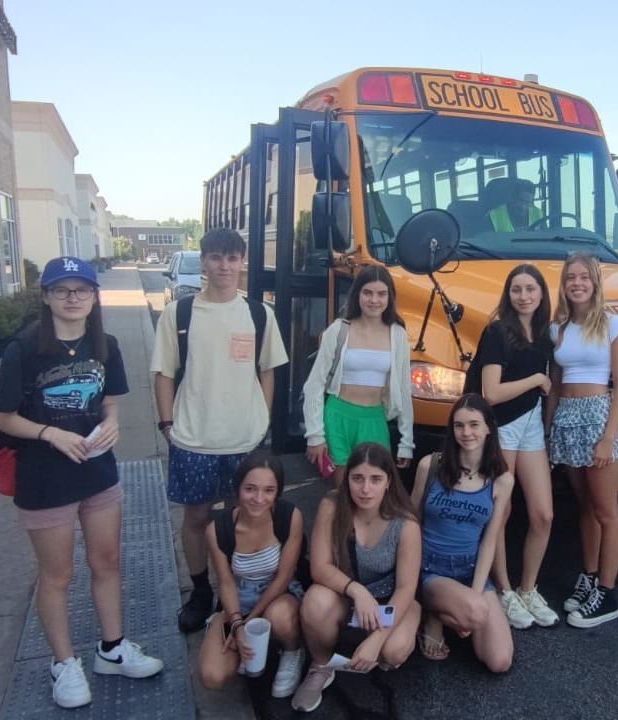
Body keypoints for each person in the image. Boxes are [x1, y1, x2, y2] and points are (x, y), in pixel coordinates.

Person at [0, 257, 163, 709]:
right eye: (62, 290)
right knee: (58, 574)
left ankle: (112, 649)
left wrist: (112, 423)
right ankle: (64, 663)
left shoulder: (105, 344)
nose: (73, 298)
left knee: (107, 561)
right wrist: (50, 433)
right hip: (44, 478)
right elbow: (4, 418)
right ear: (46, 296)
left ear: (94, 296)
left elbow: (109, 402)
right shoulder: (23, 349)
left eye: (82, 290)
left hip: (97, 471)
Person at [152, 228, 289, 634]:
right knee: (196, 517)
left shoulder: (259, 314)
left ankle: (234, 593)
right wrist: (167, 425)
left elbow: (268, 371)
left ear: (242, 262)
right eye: (215, 257)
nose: (224, 266)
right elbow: (163, 373)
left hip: (244, 439)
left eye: (232, 258)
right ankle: (199, 591)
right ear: (204, 262)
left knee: (239, 518)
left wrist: (262, 421)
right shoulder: (179, 314)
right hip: (193, 438)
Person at [293, 442, 422, 712]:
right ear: (347, 478)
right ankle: (321, 665)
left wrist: (378, 638)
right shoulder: (332, 506)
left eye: (375, 479)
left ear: (388, 482)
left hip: (390, 599)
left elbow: (406, 588)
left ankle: (389, 635)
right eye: (357, 478)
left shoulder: (405, 523)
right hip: (348, 595)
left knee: (393, 651)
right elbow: (320, 567)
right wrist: (357, 591)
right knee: (315, 602)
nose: (365, 489)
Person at [548, 252, 618, 628]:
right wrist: (548, 430)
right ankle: (590, 574)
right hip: (567, 418)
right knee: (584, 506)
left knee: (606, 511)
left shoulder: (612, 324)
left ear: (595, 282)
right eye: (571, 278)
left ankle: (607, 593)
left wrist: (608, 436)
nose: (577, 283)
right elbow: (555, 386)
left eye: (584, 277)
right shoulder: (558, 328)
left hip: (598, 416)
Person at [479, 265, 561, 630]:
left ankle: (528, 588)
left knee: (543, 514)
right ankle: (504, 589)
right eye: (516, 289)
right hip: (502, 426)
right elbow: (491, 392)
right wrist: (537, 378)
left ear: (542, 294)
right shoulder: (497, 332)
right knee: (503, 509)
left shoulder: (545, 336)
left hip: (531, 426)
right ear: (508, 294)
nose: (524, 296)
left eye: (530, 289)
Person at [411, 394, 514, 672]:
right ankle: (433, 614)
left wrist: (477, 594)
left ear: (488, 428)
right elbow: (410, 522)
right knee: (474, 612)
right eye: (459, 425)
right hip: (431, 569)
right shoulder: (430, 466)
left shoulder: (502, 480)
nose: (466, 432)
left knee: (500, 661)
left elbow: (490, 541)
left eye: (474, 424)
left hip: (470, 570)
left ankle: (457, 612)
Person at [198, 450, 305, 699]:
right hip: (238, 597)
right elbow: (225, 582)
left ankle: (292, 650)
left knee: (278, 616)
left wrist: (250, 620)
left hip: (278, 593)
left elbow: (284, 577)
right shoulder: (218, 529)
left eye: (269, 490)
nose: (258, 498)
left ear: (277, 492)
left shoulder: (289, 517)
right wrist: (236, 624)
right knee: (212, 676)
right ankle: (239, 642)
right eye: (250, 489)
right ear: (237, 489)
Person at [302, 265, 414, 481]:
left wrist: (406, 442)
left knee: (373, 488)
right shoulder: (338, 329)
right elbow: (314, 384)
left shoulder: (398, 335)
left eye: (381, 294)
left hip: (375, 419)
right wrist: (315, 435)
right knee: (341, 490)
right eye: (367, 293)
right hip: (337, 417)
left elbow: (403, 390)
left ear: (390, 297)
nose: (374, 300)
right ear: (357, 294)